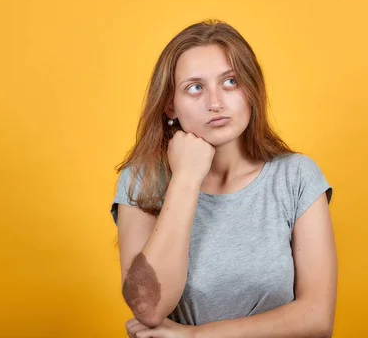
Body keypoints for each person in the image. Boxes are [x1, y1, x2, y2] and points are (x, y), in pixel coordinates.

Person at [110, 20, 337, 338]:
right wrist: (186, 179)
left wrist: (195, 336)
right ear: (170, 105)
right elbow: (148, 308)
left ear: (251, 91)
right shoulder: (141, 181)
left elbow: (317, 318)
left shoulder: (296, 177)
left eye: (230, 82)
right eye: (195, 87)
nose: (215, 103)